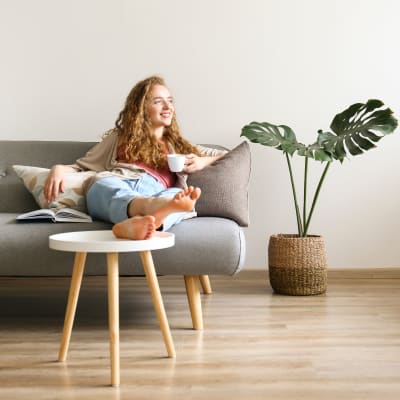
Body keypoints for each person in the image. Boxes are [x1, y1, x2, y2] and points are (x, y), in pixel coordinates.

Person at [44, 76, 226, 240]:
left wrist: (202, 161)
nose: (168, 107)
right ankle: (153, 210)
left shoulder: (177, 145)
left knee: (177, 197)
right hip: (120, 181)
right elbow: (82, 166)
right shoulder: (120, 137)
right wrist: (58, 168)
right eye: (158, 102)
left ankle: (138, 223)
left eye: (170, 101)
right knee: (103, 186)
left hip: (155, 190)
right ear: (142, 108)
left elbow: (226, 154)